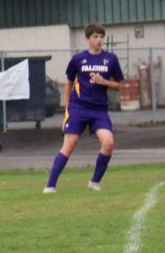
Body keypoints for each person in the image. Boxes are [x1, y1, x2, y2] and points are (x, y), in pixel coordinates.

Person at [44, 23, 124, 193]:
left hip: (99, 110)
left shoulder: (111, 59)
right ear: (88, 39)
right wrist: (67, 106)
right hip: (78, 107)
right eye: (95, 36)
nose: (99, 40)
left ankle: (94, 182)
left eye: (101, 36)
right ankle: (50, 185)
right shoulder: (78, 59)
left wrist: (105, 82)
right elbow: (69, 82)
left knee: (108, 142)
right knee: (70, 144)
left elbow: (120, 85)